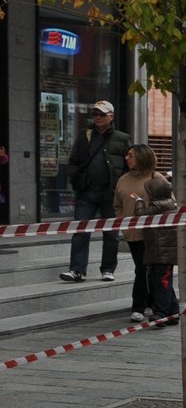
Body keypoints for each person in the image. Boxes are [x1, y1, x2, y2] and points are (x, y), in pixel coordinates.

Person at [60, 100, 131, 283]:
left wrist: (121, 185)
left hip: (110, 193)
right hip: (86, 192)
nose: (97, 117)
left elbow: (129, 164)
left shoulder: (122, 138)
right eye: (95, 114)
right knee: (81, 231)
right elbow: (73, 160)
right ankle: (77, 270)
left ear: (111, 117)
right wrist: (74, 176)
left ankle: (108, 269)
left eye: (102, 114)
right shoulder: (85, 135)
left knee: (111, 233)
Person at [113, 143, 167, 321]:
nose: (126, 158)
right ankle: (145, 304)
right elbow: (117, 205)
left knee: (144, 269)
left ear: (142, 157)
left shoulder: (156, 177)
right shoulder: (123, 180)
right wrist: (122, 221)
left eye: (131, 155)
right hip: (132, 233)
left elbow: (169, 203)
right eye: (126, 155)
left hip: (152, 233)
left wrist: (148, 211)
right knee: (141, 268)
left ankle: (140, 306)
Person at [136, 177, 181, 323]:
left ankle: (161, 313)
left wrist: (138, 202)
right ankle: (173, 312)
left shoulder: (157, 206)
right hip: (161, 252)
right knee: (164, 282)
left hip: (162, 253)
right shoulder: (168, 204)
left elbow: (140, 216)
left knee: (161, 283)